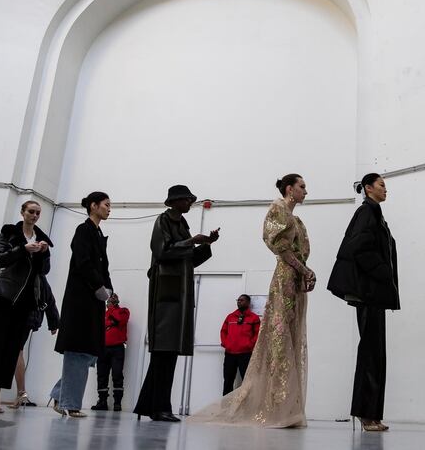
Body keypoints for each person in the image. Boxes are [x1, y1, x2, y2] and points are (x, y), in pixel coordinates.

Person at [190, 174, 314, 428]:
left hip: (295, 282)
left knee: (292, 336)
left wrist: (305, 273)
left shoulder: (297, 220)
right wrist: (303, 270)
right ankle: (274, 407)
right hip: (285, 279)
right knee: (279, 340)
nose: (306, 191)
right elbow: (280, 246)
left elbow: (298, 251)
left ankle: (286, 407)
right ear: (289, 189)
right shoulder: (278, 210)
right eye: (302, 186)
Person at [133, 185, 219, 422]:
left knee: (168, 353)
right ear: (175, 201)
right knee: (163, 351)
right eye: (187, 200)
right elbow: (161, 251)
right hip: (165, 293)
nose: (191, 203)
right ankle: (159, 407)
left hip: (179, 294)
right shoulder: (164, 221)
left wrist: (206, 244)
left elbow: (190, 260)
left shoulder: (182, 224)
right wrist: (192, 241)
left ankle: (151, 406)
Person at [328, 173, 400, 432]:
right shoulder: (366, 213)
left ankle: (370, 414)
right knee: (371, 353)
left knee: (375, 353)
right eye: (381, 185)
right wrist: (383, 271)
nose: (385, 189)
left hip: (375, 294)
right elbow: (358, 248)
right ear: (368, 188)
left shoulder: (375, 213)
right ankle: (366, 414)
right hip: (370, 293)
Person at [0, 200, 53, 414]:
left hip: (27, 300)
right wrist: (23, 249)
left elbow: (45, 270)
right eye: (31, 212)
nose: (34, 216)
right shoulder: (9, 232)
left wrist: (41, 252)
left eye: (37, 213)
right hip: (5, 295)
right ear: (23, 212)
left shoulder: (42, 238)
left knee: (12, 348)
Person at [50, 191, 113, 418]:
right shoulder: (83, 230)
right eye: (106, 204)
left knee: (88, 352)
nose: (109, 208)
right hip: (81, 300)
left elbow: (103, 267)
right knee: (79, 350)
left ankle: (60, 394)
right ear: (93, 206)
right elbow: (83, 262)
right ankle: (69, 402)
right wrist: (99, 286)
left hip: (94, 300)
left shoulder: (97, 233)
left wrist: (108, 289)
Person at [9, 275, 60, 409]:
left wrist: (54, 322)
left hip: (21, 315)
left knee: (15, 351)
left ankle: (19, 392)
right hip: (25, 316)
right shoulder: (38, 274)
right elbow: (49, 297)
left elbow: (48, 297)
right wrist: (53, 322)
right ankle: (20, 393)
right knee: (16, 352)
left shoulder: (34, 273)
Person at [91, 292, 129, 412]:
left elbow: (120, 320)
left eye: (112, 301)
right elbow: (101, 325)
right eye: (108, 302)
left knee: (117, 375)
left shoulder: (123, 311)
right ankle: (102, 402)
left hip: (117, 348)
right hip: (103, 349)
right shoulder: (104, 314)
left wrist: (112, 311)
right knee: (102, 375)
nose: (109, 303)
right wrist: (112, 321)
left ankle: (117, 403)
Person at [219, 294, 260, 395]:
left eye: (242, 300)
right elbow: (223, 331)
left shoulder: (254, 318)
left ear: (248, 303)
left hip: (245, 354)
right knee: (228, 381)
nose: (239, 302)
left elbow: (257, 334)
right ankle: (225, 408)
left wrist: (249, 345)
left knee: (247, 381)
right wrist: (226, 343)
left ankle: (247, 407)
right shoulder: (230, 317)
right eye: (238, 300)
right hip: (230, 354)